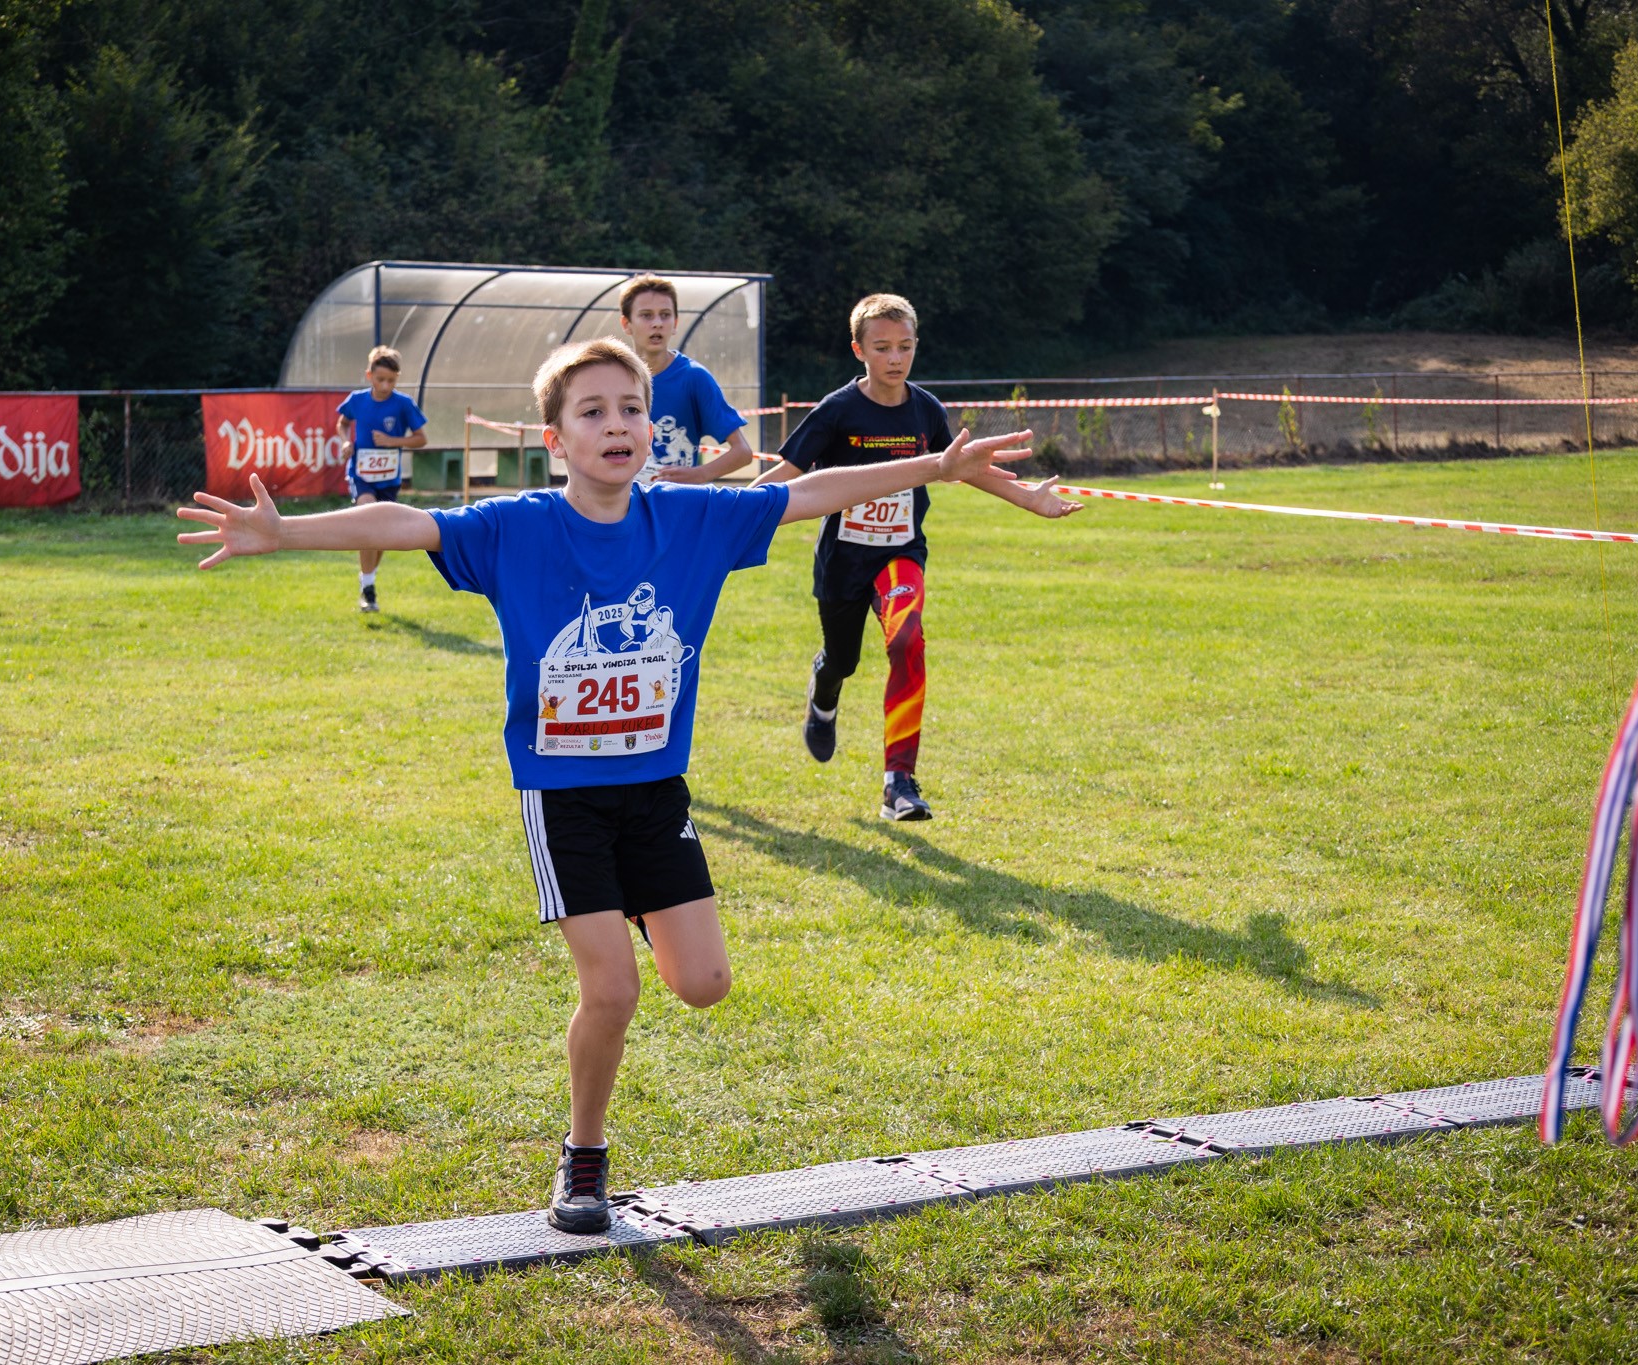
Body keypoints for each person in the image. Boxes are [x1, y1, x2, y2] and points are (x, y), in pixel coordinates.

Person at [175, 336, 1035, 1234]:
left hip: (657, 793)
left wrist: (935, 463)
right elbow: (407, 523)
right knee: (615, 991)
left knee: (702, 982)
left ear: (651, 431)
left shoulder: (690, 521)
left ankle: (628, 913)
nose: (615, 425)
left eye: (630, 408)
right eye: (591, 412)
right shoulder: (517, 527)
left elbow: (806, 493)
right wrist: (284, 533)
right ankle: (583, 1159)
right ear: (555, 440)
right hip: (566, 800)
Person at [753, 293, 1081, 821]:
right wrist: (729, 515)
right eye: (882, 348)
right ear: (859, 349)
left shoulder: (925, 409)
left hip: (901, 554)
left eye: (905, 346)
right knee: (843, 659)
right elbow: (787, 473)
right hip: (843, 561)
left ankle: (898, 783)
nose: (895, 358)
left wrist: (1030, 499)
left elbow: (963, 467)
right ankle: (825, 685)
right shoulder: (837, 411)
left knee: (907, 641)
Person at [616, 273, 756, 487]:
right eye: (646, 315)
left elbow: (743, 452)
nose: (657, 323)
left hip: (675, 506)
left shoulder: (694, 377)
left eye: (665, 315)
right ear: (626, 324)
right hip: (620, 505)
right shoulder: (611, 377)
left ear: (675, 323)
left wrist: (699, 474)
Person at [335, 345, 428, 612]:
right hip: (361, 473)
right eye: (380, 379)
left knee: (381, 535)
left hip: (388, 478)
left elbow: (421, 438)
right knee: (367, 519)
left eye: (391, 381)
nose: (385, 385)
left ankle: (368, 579)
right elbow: (342, 423)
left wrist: (393, 441)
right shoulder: (357, 400)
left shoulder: (403, 404)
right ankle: (368, 588)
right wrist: (345, 442)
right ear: (369, 376)